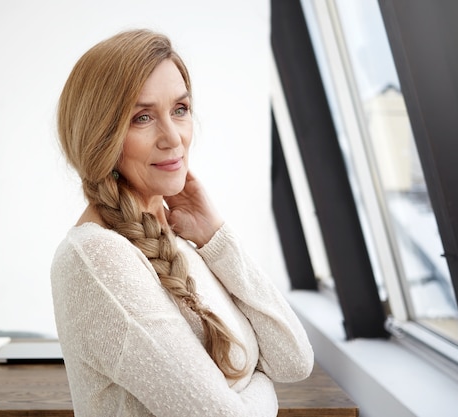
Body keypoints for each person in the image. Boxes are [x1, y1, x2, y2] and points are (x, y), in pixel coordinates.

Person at [50, 28, 314, 417]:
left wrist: (216, 238)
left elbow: (294, 360)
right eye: (142, 118)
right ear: (100, 136)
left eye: (180, 110)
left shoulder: (176, 235)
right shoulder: (97, 258)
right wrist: (261, 385)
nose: (173, 138)